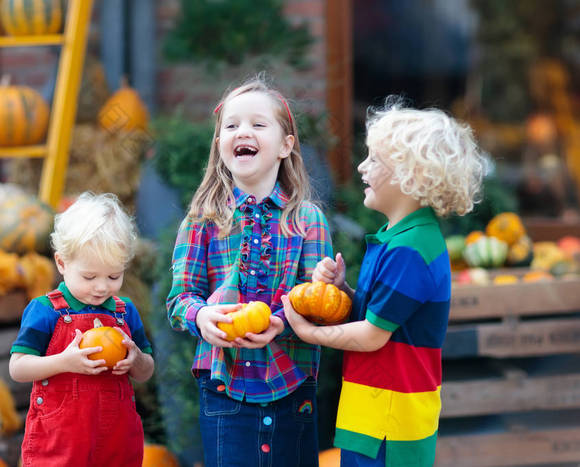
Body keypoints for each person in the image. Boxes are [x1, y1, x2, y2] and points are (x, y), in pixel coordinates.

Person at [284, 98, 487, 467]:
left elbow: (372, 335)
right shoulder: (398, 238)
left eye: (375, 159)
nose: (362, 167)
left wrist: (306, 332)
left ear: (414, 175)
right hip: (376, 411)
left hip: (390, 423)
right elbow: (382, 316)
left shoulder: (410, 249)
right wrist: (345, 293)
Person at [166, 75, 333, 466]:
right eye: (232, 125)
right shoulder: (202, 220)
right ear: (220, 143)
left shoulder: (307, 220)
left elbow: (318, 303)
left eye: (258, 125)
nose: (244, 131)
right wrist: (201, 315)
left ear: (285, 145)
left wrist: (281, 321)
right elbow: (179, 300)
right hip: (224, 386)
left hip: (293, 384)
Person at [9, 192, 154, 467]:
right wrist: (65, 362)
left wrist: (136, 359)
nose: (102, 287)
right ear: (62, 263)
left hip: (115, 444)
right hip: (61, 446)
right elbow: (17, 368)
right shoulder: (46, 311)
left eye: (113, 276)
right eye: (89, 277)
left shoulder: (124, 312)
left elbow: (146, 372)